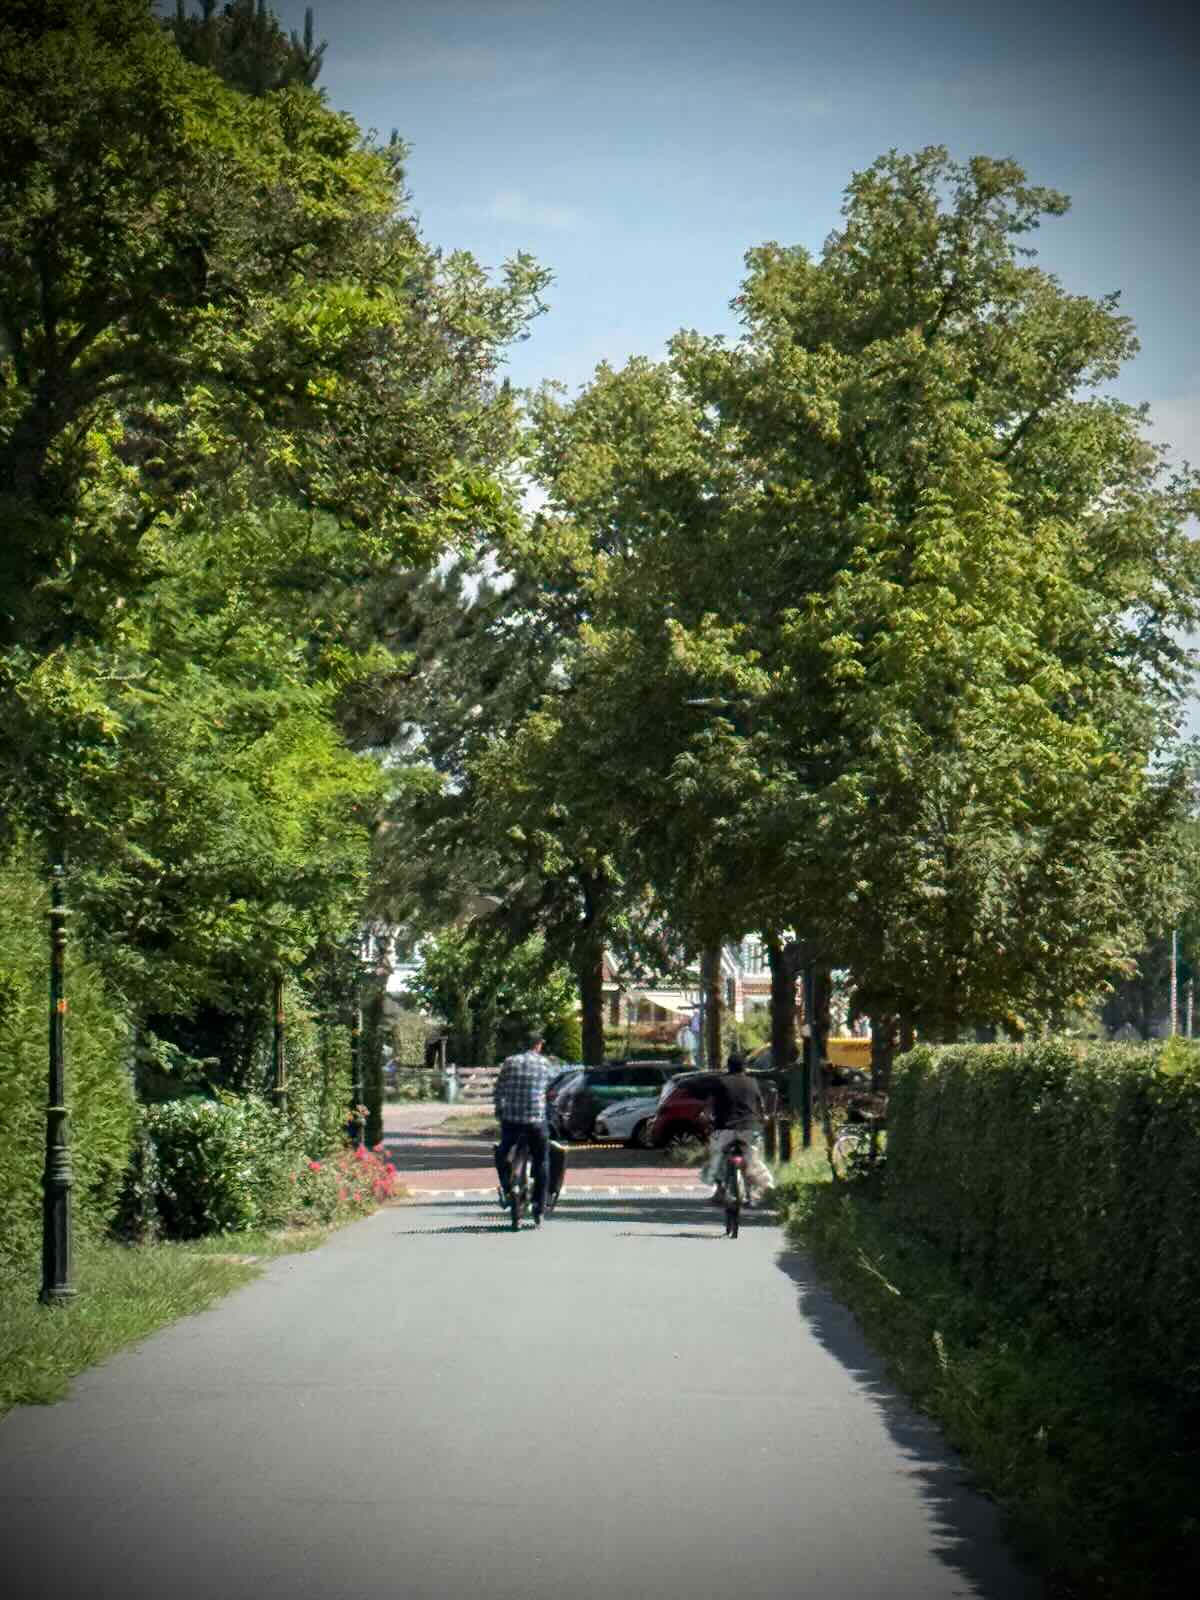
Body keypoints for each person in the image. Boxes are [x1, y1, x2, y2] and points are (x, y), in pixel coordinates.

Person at [492, 1033, 558, 1225]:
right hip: (535, 1122)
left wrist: (500, 1111)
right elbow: (551, 1092)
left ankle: (507, 1189)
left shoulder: (509, 1062)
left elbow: (499, 1090)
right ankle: (539, 1206)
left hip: (511, 1121)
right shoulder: (545, 1064)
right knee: (542, 1159)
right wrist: (550, 1107)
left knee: (502, 1153)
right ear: (538, 1045)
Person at [700, 1052, 775, 1205]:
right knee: (753, 1160)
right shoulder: (752, 1083)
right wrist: (764, 1118)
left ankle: (720, 1190)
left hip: (724, 1129)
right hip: (749, 1129)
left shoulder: (719, 1082)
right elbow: (760, 1106)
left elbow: (709, 1105)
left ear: (728, 1067)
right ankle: (766, 1187)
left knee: (717, 1157)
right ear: (745, 1068)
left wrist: (705, 1116)